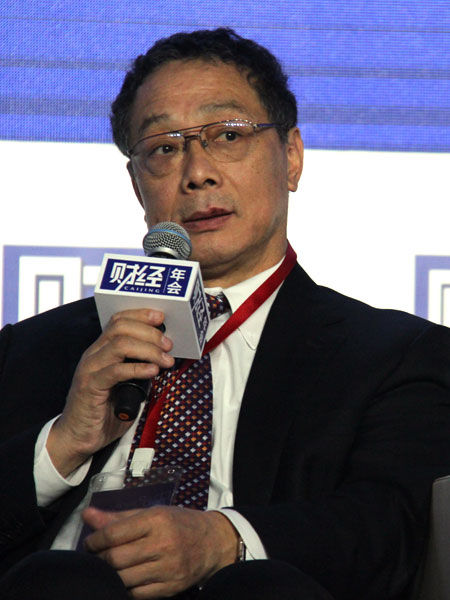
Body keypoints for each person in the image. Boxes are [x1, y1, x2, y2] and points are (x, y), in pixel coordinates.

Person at [0, 27, 449, 600]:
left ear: (292, 158)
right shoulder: (30, 350)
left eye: (228, 135)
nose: (197, 173)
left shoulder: (393, 356)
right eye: (164, 148)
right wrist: (62, 443)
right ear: (137, 186)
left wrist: (222, 540)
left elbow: (392, 530)